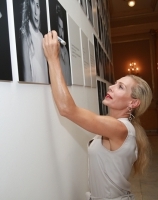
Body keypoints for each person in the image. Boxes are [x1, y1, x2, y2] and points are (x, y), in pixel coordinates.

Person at [42, 31, 152, 200]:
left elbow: (67, 109)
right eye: (115, 83)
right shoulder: (116, 125)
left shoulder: (120, 128)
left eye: (120, 87)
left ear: (133, 103)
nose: (111, 88)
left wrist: (53, 58)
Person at [20, 0, 49, 83]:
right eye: (33, 5)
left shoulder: (41, 36)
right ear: (29, 8)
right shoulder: (26, 33)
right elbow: (27, 77)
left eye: (37, 5)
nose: (36, 12)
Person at [56, 3, 72, 86]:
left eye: (62, 29)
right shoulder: (55, 48)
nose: (61, 33)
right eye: (59, 27)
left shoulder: (65, 50)